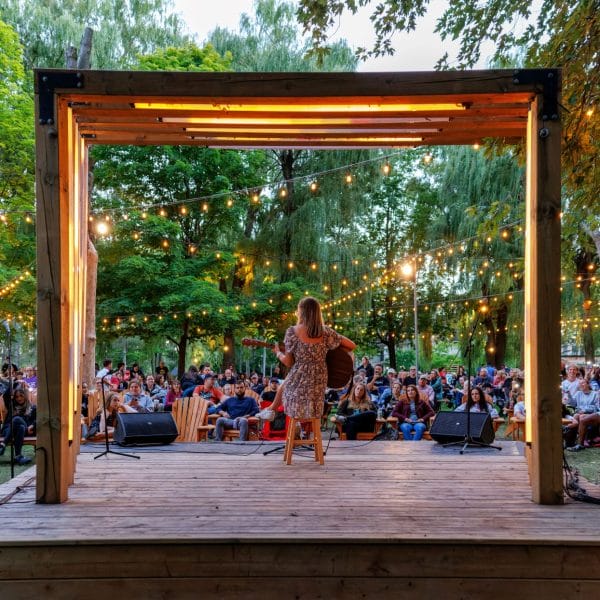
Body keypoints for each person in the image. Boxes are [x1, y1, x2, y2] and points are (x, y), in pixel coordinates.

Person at [270, 297, 356, 424]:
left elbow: (288, 362)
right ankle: (275, 412)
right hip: (318, 380)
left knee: (286, 383)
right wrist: (333, 349)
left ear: (302, 312)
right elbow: (352, 345)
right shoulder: (326, 332)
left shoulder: (292, 331)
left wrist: (277, 353)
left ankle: (272, 410)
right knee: (287, 382)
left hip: (298, 381)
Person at [0, 386, 35, 465]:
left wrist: (32, 425)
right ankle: (18, 456)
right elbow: (6, 395)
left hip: (27, 430)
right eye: (16, 397)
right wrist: (13, 383)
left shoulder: (31, 408)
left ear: (25, 396)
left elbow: (36, 420)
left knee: (17, 419)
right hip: (8, 430)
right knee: (20, 426)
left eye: (21, 396)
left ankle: (2, 445)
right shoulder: (12, 406)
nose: (19, 398)